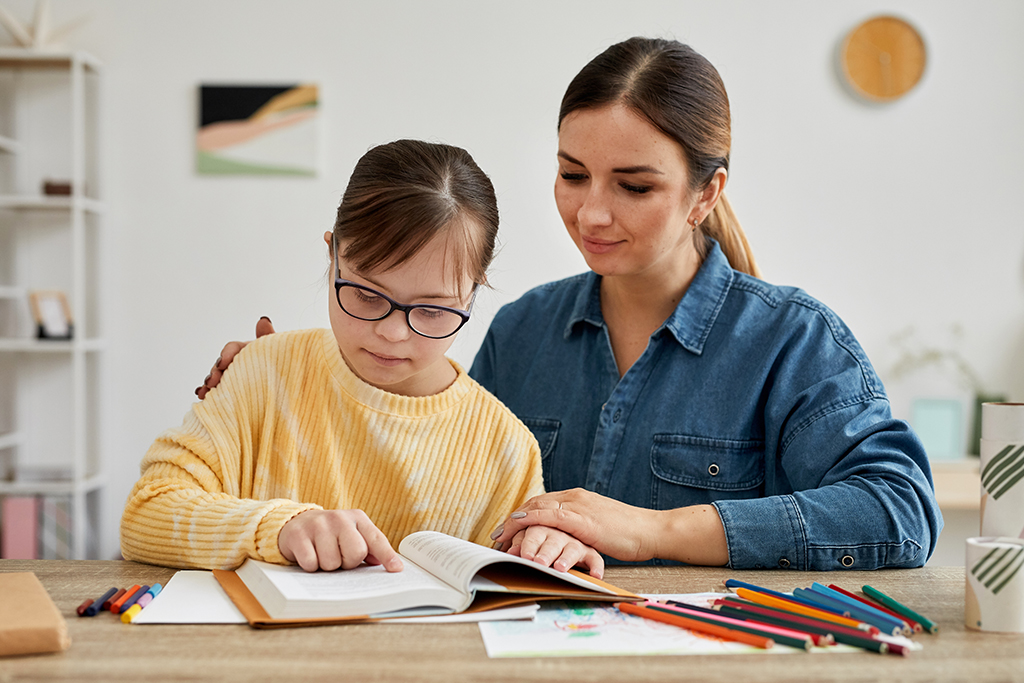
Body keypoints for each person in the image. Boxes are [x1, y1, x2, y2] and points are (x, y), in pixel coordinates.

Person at [199, 38, 943, 571]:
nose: (591, 213)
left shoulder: (792, 340)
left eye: (634, 185)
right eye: (572, 173)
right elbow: (426, 463)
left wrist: (656, 530)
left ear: (705, 194)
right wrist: (290, 373)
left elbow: (899, 511)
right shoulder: (523, 330)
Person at [122, 139, 603, 576]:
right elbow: (146, 514)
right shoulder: (263, 375)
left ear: (474, 293)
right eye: (367, 296)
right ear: (332, 256)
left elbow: (507, 587)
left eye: (433, 309)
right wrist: (279, 527)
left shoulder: (504, 448)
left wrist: (552, 551)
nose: (392, 333)